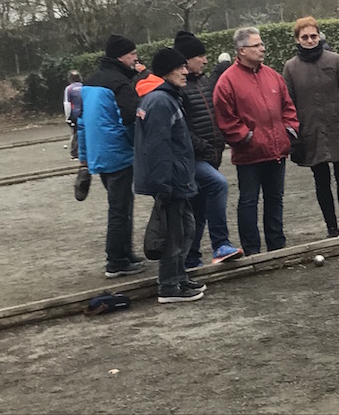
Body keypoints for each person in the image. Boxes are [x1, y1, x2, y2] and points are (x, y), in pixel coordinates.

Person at [212, 26, 299, 256]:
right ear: (241, 50)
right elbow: (225, 118)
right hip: (249, 154)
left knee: (275, 199)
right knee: (249, 201)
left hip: (276, 149)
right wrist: (246, 137)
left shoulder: (273, 76)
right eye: (257, 45)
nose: (262, 48)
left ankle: (276, 245)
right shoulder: (227, 82)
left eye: (261, 44)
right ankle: (252, 249)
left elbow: (288, 107)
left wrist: (289, 131)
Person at [133, 47, 205, 304]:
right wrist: (164, 184)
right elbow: (159, 147)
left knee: (185, 228)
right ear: (167, 70)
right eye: (180, 67)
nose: (186, 72)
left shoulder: (163, 97)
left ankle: (179, 277)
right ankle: (169, 286)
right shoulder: (161, 101)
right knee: (174, 234)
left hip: (175, 177)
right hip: (171, 180)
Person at [282, 17, 339, 238]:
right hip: (310, 132)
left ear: (319, 36)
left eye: (313, 36)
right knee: (321, 179)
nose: (310, 40)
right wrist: (294, 139)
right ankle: (331, 226)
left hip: (338, 127)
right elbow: (288, 105)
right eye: (305, 37)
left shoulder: (335, 61)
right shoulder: (290, 68)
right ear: (297, 40)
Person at [173, 31, 243, 267]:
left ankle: (190, 257)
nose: (205, 60)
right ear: (186, 60)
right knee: (217, 184)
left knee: (198, 209)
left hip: (209, 154)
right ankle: (220, 244)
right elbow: (180, 128)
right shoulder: (178, 89)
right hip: (193, 157)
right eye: (200, 56)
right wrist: (203, 146)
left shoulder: (203, 82)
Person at [77, 34, 145, 278]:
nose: (136, 58)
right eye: (132, 53)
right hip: (118, 154)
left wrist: (84, 159)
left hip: (100, 154)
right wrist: (138, 148)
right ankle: (116, 260)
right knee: (120, 208)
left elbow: (81, 122)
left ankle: (124, 253)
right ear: (121, 56)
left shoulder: (91, 81)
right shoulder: (121, 83)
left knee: (121, 205)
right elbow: (130, 120)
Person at [62, 70, 83, 160]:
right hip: (84, 113)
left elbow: (67, 104)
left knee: (75, 132)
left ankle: (75, 153)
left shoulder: (69, 88)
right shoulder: (84, 87)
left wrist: (67, 117)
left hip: (74, 113)